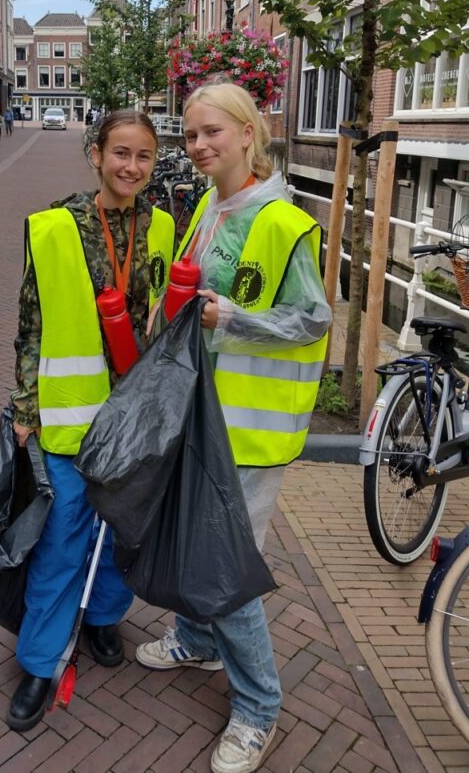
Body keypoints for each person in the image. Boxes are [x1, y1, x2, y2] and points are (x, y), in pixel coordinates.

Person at [136, 81, 332, 773]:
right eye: (189, 135)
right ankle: (196, 638)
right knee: (201, 542)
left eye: (211, 132)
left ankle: (257, 708)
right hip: (203, 417)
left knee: (227, 568)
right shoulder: (208, 209)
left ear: (249, 132)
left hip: (249, 431)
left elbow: (313, 319)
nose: (197, 146)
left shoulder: (280, 221)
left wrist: (234, 319)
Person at [7, 110, 175, 732]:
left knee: (122, 530)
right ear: (95, 152)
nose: (131, 167)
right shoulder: (53, 227)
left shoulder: (163, 227)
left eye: (144, 157)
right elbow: (31, 322)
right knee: (62, 537)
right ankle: (41, 660)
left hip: (136, 415)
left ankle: (104, 617)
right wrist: (26, 406)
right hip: (71, 413)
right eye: (121, 153)